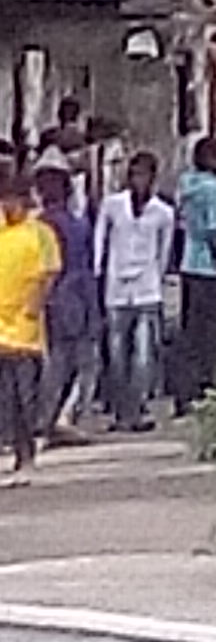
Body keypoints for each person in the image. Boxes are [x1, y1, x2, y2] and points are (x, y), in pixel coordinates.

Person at [93, 152, 178, 432]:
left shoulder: (163, 213)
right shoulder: (112, 206)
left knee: (143, 354)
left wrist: (158, 277)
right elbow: (100, 241)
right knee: (117, 354)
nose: (139, 180)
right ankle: (120, 411)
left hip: (147, 289)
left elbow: (164, 251)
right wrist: (99, 272)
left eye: (144, 175)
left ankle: (137, 408)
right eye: (135, 174)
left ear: (153, 178)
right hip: (116, 288)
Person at [0, 162, 61, 484]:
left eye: (12, 200)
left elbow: (49, 272)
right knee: (5, 397)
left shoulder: (40, 233)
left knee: (25, 396)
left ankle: (26, 455)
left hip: (25, 330)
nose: (8, 206)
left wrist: (34, 306)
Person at [167, 137, 216, 409]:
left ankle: (183, 391)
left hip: (188, 262)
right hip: (209, 266)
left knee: (189, 331)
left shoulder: (186, 184)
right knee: (210, 334)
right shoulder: (214, 188)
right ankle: (206, 387)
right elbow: (214, 228)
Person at [32, 169, 99, 442]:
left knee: (57, 360)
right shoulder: (78, 223)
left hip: (57, 294)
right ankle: (63, 417)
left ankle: (47, 419)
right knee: (81, 360)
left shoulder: (41, 226)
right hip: (82, 292)